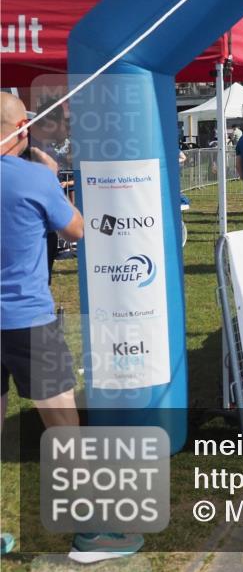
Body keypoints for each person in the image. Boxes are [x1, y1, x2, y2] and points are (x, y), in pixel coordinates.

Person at [1, 93, 144, 561]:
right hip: (27, 321)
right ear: (21, 128)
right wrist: (50, 177)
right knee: (63, 428)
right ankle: (93, 532)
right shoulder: (33, 178)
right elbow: (77, 229)